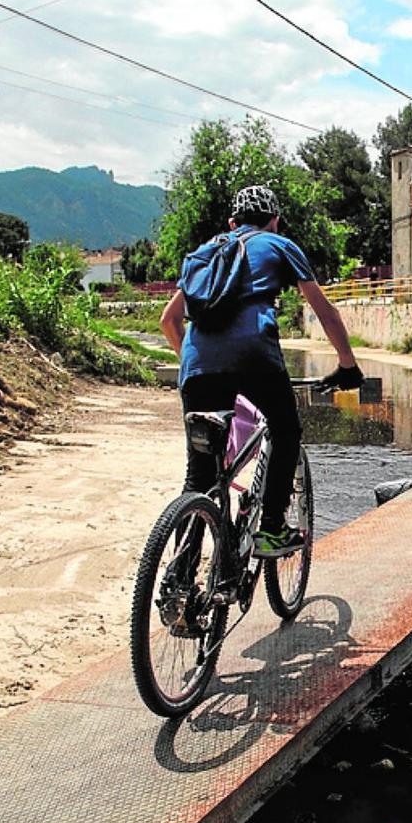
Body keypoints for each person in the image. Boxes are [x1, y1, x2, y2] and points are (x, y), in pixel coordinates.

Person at [160, 184, 363, 558]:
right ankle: (271, 529)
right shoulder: (280, 245)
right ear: (275, 221)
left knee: (200, 475)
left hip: (196, 366)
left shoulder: (207, 252)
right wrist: (347, 365)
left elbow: (169, 321)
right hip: (253, 356)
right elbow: (324, 311)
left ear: (232, 222)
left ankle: (180, 579)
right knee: (286, 430)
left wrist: (197, 365)